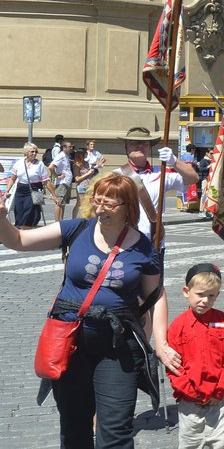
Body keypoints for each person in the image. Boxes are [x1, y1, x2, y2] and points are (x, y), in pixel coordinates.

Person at [0, 174, 172, 448]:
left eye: (109, 204)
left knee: (116, 430)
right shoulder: (76, 229)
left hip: (118, 348)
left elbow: (155, 295)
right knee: (74, 427)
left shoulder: (143, 248)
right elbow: (19, 240)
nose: (100, 208)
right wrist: (1, 218)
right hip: (70, 343)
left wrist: (160, 342)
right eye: (98, 201)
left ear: (127, 206)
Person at [167, 263, 224, 449]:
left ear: (218, 295)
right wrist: (191, 393)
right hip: (190, 400)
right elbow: (174, 366)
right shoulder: (178, 326)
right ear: (186, 291)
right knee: (191, 442)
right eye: (200, 295)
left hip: (220, 398)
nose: (205, 301)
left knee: (223, 442)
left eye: (211, 296)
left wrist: (220, 389)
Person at [114, 127, 198, 259]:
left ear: (150, 148)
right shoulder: (115, 176)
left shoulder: (162, 172)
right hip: (123, 244)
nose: (139, 146)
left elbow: (193, 178)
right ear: (126, 147)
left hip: (153, 243)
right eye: (133, 143)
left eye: (144, 143)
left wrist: (174, 161)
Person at [5, 142, 56, 227]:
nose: (35, 153)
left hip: (34, 189)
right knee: (19, 210)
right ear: (26, 152)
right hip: (20, 189)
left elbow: (47, 181)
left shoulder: (39, 164)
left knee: (29, 211)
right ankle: (19, 229)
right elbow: (12, 179)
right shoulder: (19, 162)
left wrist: (54, 195)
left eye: (36, 152)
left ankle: (26, 230)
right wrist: (7, 190)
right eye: (32, 151)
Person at [48, 140, 75, 222]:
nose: (71, 148)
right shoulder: (61, 156)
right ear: (64, 147)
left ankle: (61, 221)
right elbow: (51, 167)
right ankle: (57, 223)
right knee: (59, 203)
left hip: (66, 182)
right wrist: (56, 175)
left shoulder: (66, 156)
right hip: (61, 183)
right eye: (70, 146)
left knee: (63, 204)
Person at [70, 148, 98, 218]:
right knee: (80, 204)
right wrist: (88, 173)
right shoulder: (76, 165)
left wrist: (92, 171)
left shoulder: (87, 163)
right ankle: (74, 219)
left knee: (89, 203)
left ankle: (88, 218)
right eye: (86, 153)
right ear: (81, 154)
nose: (87, 154)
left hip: (89, 186)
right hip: (82, 186)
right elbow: (77, 179)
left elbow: (89, 175)